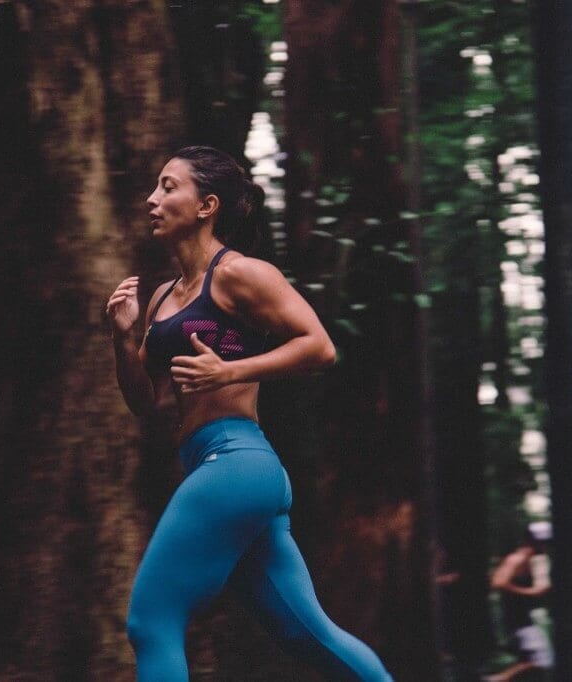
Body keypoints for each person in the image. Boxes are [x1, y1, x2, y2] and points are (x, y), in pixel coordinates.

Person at [107, 146, 393, 681]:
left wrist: (231, 373)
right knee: (307, 634)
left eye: (169, 187)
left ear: (206, 205)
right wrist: (123, 341)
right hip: (225, 471)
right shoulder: (164, 298)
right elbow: (145, 400)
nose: (152, 198)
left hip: (235, 461)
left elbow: (319, 346)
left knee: (153, 621)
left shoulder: (241, 274)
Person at [488, 522, 554, 682]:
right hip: (516, 618)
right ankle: (496, 679)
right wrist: (527, 593)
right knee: (543, 658)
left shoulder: (533, 561)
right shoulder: (516, 559)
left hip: (522, 617)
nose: (544, 546)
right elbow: (498, 582)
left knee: (530, 658)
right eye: (542, 542)